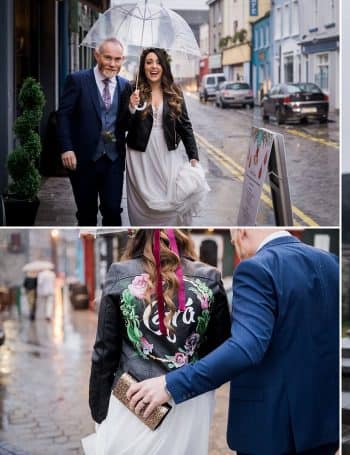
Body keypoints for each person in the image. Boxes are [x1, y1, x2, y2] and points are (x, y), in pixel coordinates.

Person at [127, 229, 340, 455]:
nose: (231, 240)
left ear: (242, 231)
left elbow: (245, 348)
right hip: (324, 426)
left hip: (272, 431)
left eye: (232, 234)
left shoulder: (256, 268)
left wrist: (170, 384)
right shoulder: (330, 263)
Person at [84, 229, 230, 454]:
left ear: (137, 234)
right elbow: (219, 350)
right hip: (189, 401)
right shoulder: (210, 277)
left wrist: (100, 410)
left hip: (134, 399)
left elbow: (104, 352)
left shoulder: (119, 273)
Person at [124, 48, 209, 225]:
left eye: (158, 62)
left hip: (167, 152)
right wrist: (131, 107)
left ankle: (170, 237)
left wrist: (193, 156)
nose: (153, 66)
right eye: (148, 62)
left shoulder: (174, 91)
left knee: (171, 199)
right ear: (143, 66)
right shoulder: (133, 89)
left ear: (164, 66)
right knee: (143, 203)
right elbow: (123, 125)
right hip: (139, 155)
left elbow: (185, 126)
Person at [56, 37, 129, 226]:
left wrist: (133, 109)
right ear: (96, 55)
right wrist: (66, 148)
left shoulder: (125, 86)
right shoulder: (77, 80)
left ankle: (113, 251)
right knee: (87, 215)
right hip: (83, 160)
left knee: (113, 211)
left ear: (122, 60)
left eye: (118, 59)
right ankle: (88, 253)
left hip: (113, 160)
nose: (113, 64)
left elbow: (126, 123)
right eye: (108, 57)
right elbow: (63, 116)